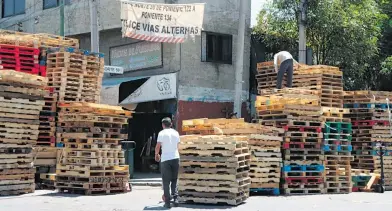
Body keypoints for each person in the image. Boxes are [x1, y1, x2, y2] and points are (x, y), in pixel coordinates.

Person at [155, 117, 180, 209]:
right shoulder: (176, 133)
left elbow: (158, 146)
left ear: (163, 125)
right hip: (176, 158)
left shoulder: (161, 133)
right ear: (171, 124)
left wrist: (156, 154)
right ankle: (176, 199)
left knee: (166, 182)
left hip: (165, 159)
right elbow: (177, 146)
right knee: (174, 179)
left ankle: (167, 203)